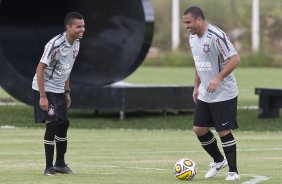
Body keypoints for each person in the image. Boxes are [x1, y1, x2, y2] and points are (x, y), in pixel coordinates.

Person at [182, 6, 240, 181]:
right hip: (205, 93)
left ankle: (234, 172)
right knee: (199, 129)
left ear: (199, 19)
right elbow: (199, 63)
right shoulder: (192, 38)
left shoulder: (216, 36)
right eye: (184, 23)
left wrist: (219, 77)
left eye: (188, 22)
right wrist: (196, 86)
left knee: (223, 131)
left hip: (224, 93)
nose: (186, 26)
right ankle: (218, 160)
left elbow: (235, 58)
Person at [32, 11, 85, 176]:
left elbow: (67, 69)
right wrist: (42, 96)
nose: (82, 30)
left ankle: (60, 164)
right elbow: (40, 69)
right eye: (78, 27)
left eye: (83, 26)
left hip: (59, 89)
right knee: (53, 124)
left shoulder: (76, 43)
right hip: (45, 88)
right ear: (68, 27)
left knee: (64, 124)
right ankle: (49, 167)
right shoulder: (55, 44)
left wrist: (67, 91)